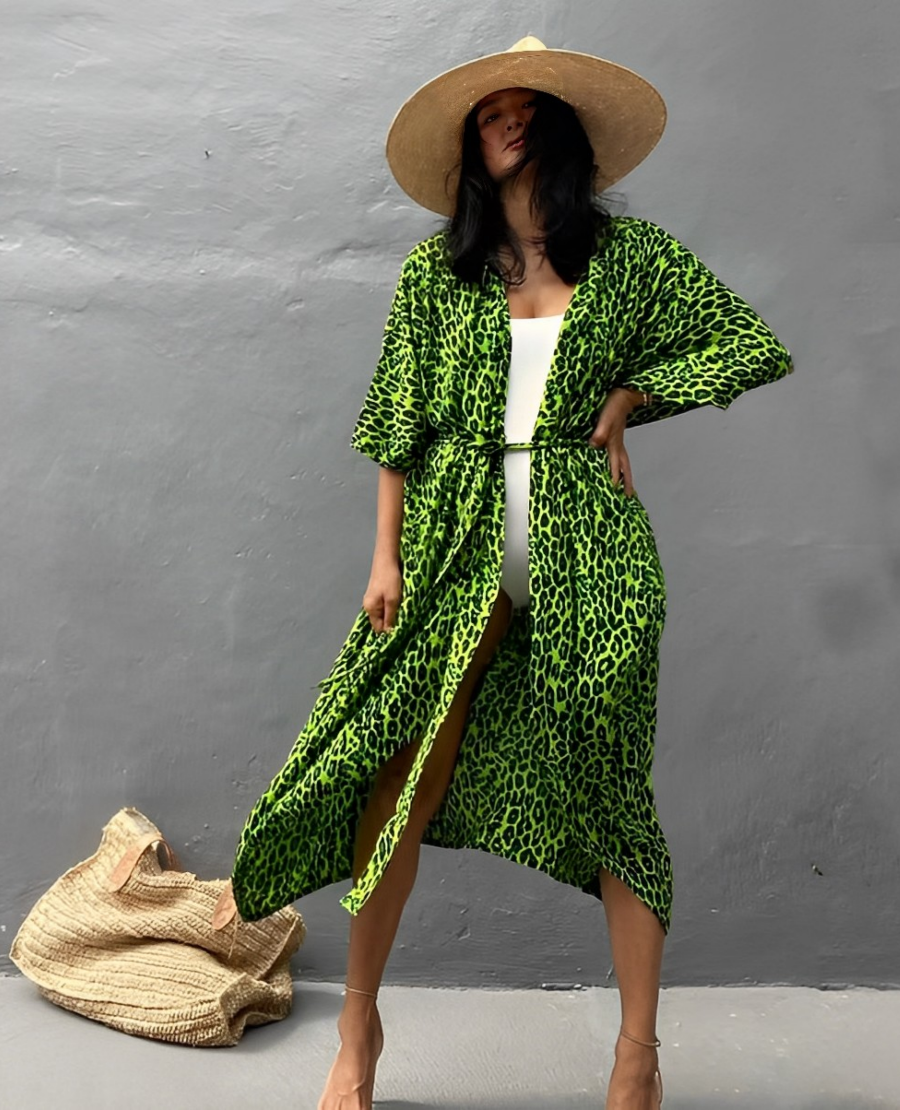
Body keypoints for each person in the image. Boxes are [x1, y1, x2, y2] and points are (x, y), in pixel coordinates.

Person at [227, 36, 794, 1110]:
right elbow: (396, 421)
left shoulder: (630, 263)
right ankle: (358, 1027)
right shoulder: (433, 278)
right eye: (491, 114)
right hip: (449, 547)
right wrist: (383, 554)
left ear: (567, 133)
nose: (511, 123)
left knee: (616, 791)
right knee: (401, 774)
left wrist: (631, 398)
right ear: (469, 145)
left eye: (531, 111)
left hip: (595, 554)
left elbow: (746, 344)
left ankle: (638, 1055)